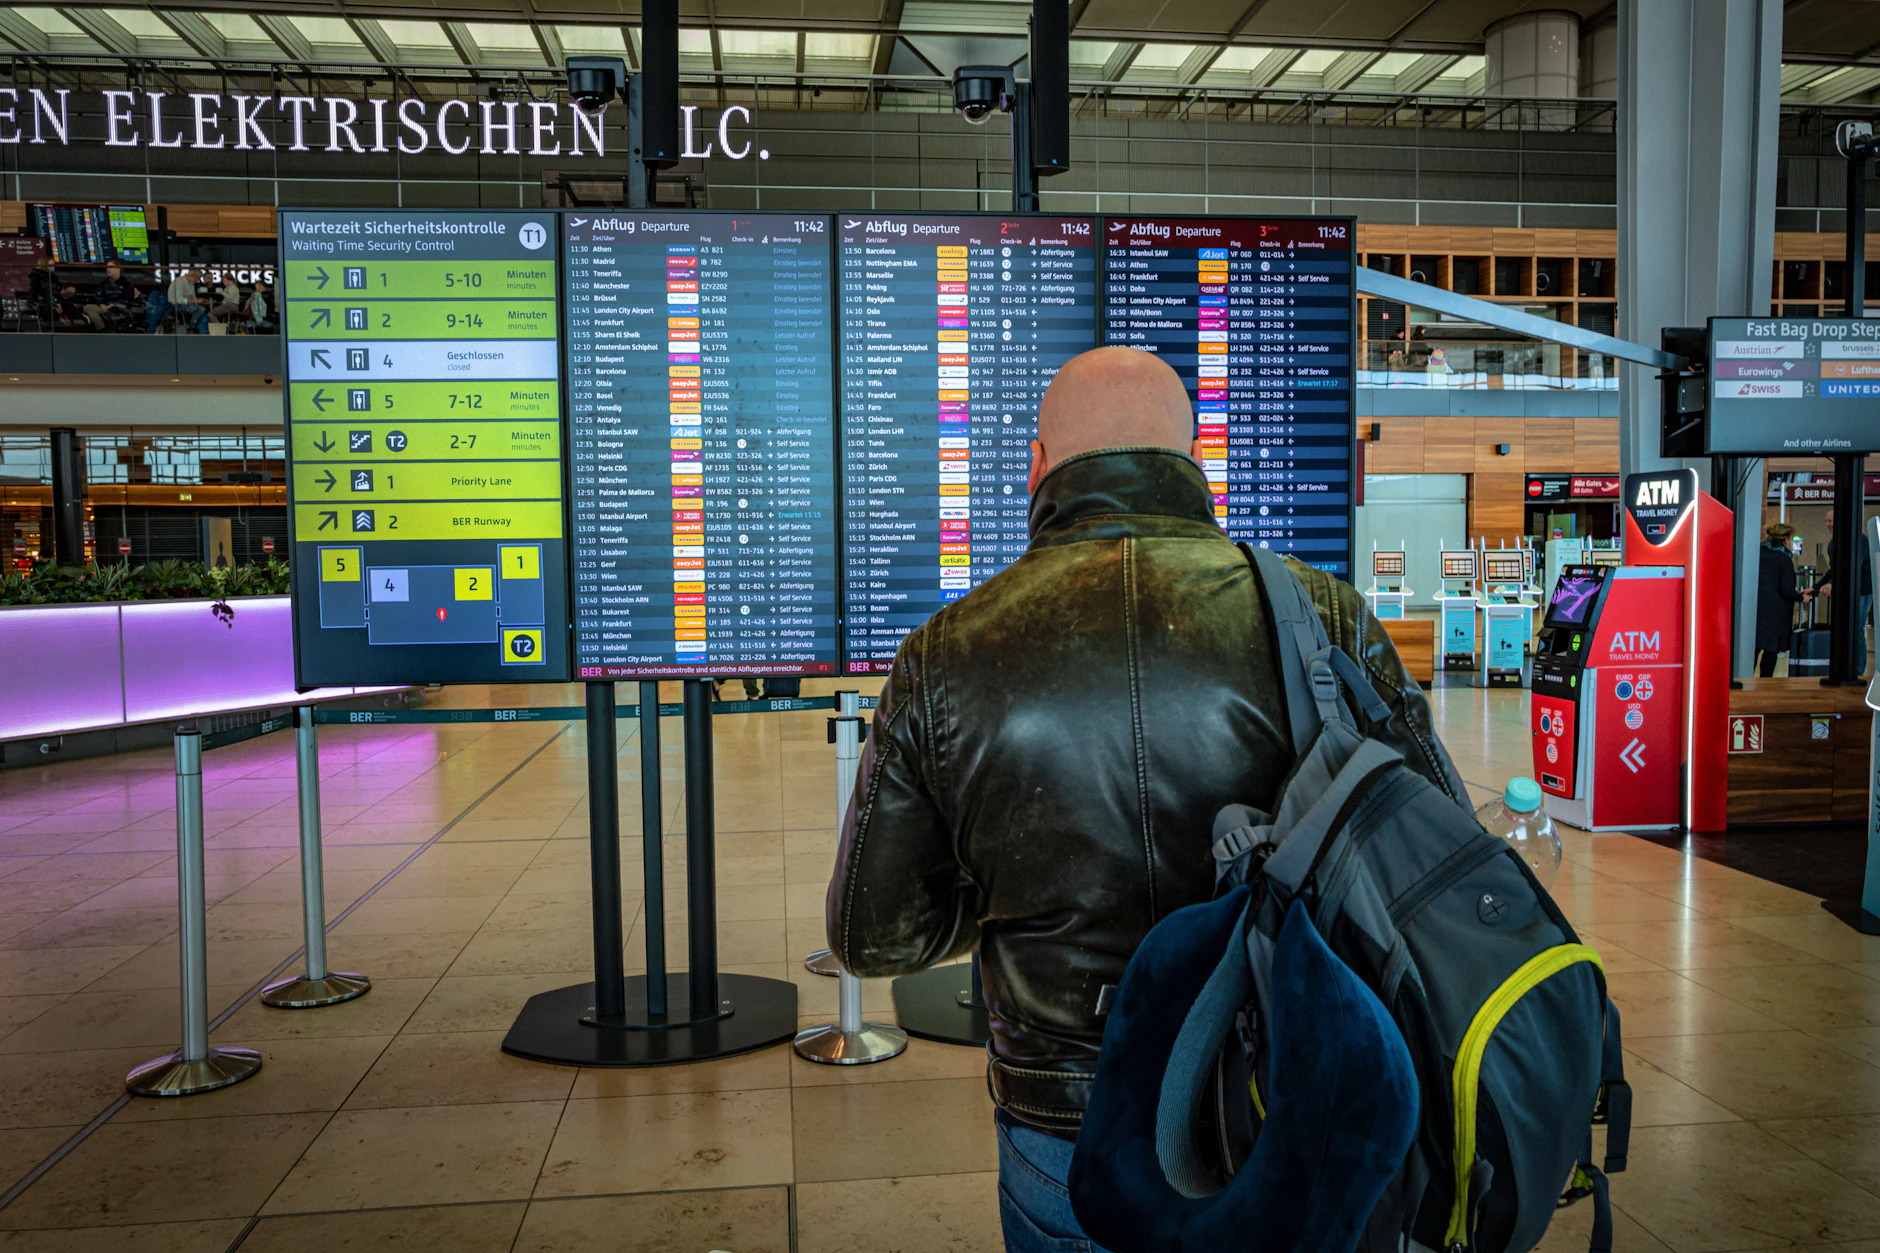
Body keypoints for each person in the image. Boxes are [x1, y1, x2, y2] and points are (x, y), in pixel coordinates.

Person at [825, 346, 1464, 1251]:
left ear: (1039, 468)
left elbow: (870, 932)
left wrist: (1008, 890)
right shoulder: (1322, 613)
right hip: (1291, 1090)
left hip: (1068, 1121)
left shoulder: (944, 654)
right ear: (1194, 457)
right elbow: (1437, 849)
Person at [1817, 508, 1873, 678]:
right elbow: (1834, 569)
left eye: (1831, 521)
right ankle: (1845, 667)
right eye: (1826, 521)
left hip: (1861, 591)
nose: (1828, 525)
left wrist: (1833, 583)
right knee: (1844, 628)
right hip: (1845, 591)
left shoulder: (1859, 540)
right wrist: (1816, 586)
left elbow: (1853, 566)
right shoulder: (1834, 543)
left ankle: (1858, 671)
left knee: (1856, 629)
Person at [1755, 522, 1809, 677]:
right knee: (1771, 649)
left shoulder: (1757, 553)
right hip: (1776, 611)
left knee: (1754, 647)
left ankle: (1745, 679)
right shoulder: (1783, 559)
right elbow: (1786, 589)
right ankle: (1765, 682)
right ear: (1786, 539)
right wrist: (1801, 597)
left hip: (1756, 608)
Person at [81, 262, 138, 331]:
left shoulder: (127, 283)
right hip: (105, 307)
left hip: (120, 308)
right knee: (88, 308)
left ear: (118, 269)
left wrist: (113, 305)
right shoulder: (104, 283)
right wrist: (101, 304)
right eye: (107, 267)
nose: (108, 269)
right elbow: (98, 295)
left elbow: (127, 299)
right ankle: (101, 329)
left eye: (111, 267)